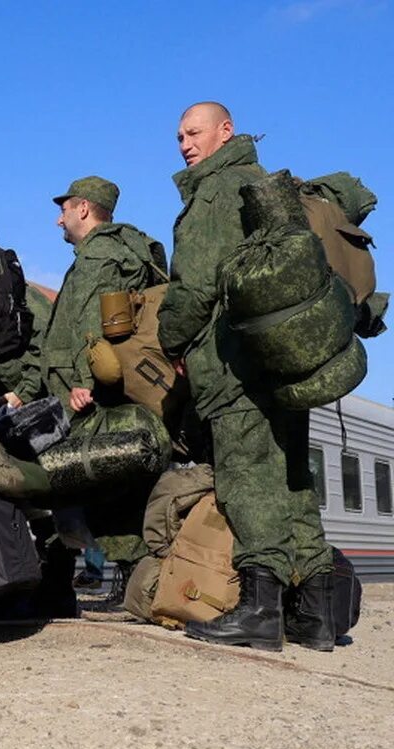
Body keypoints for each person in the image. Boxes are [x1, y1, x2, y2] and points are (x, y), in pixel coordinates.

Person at [157, 102, 333, 652]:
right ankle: (315, 614)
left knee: (248, 481)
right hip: (282, 356)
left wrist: (169, 337)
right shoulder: (263, 183)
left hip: (236, 367)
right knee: (292, 482)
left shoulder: (215, 191)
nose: (184, 143)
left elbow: (196, 285)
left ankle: (260, 612)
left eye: (194, 132)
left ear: (225, 132)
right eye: (180, 136)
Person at [42, 177, 169, 578]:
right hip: (105, 386)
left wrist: (83, 380)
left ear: (83, 209)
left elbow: (90, 324)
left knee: (96, 485)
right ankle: (103, 571)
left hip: (87, 391)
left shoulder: (99, 257)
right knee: (97, 486)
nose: (59, 221)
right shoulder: (121, 251)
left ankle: (123, 575)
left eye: (63, 211)